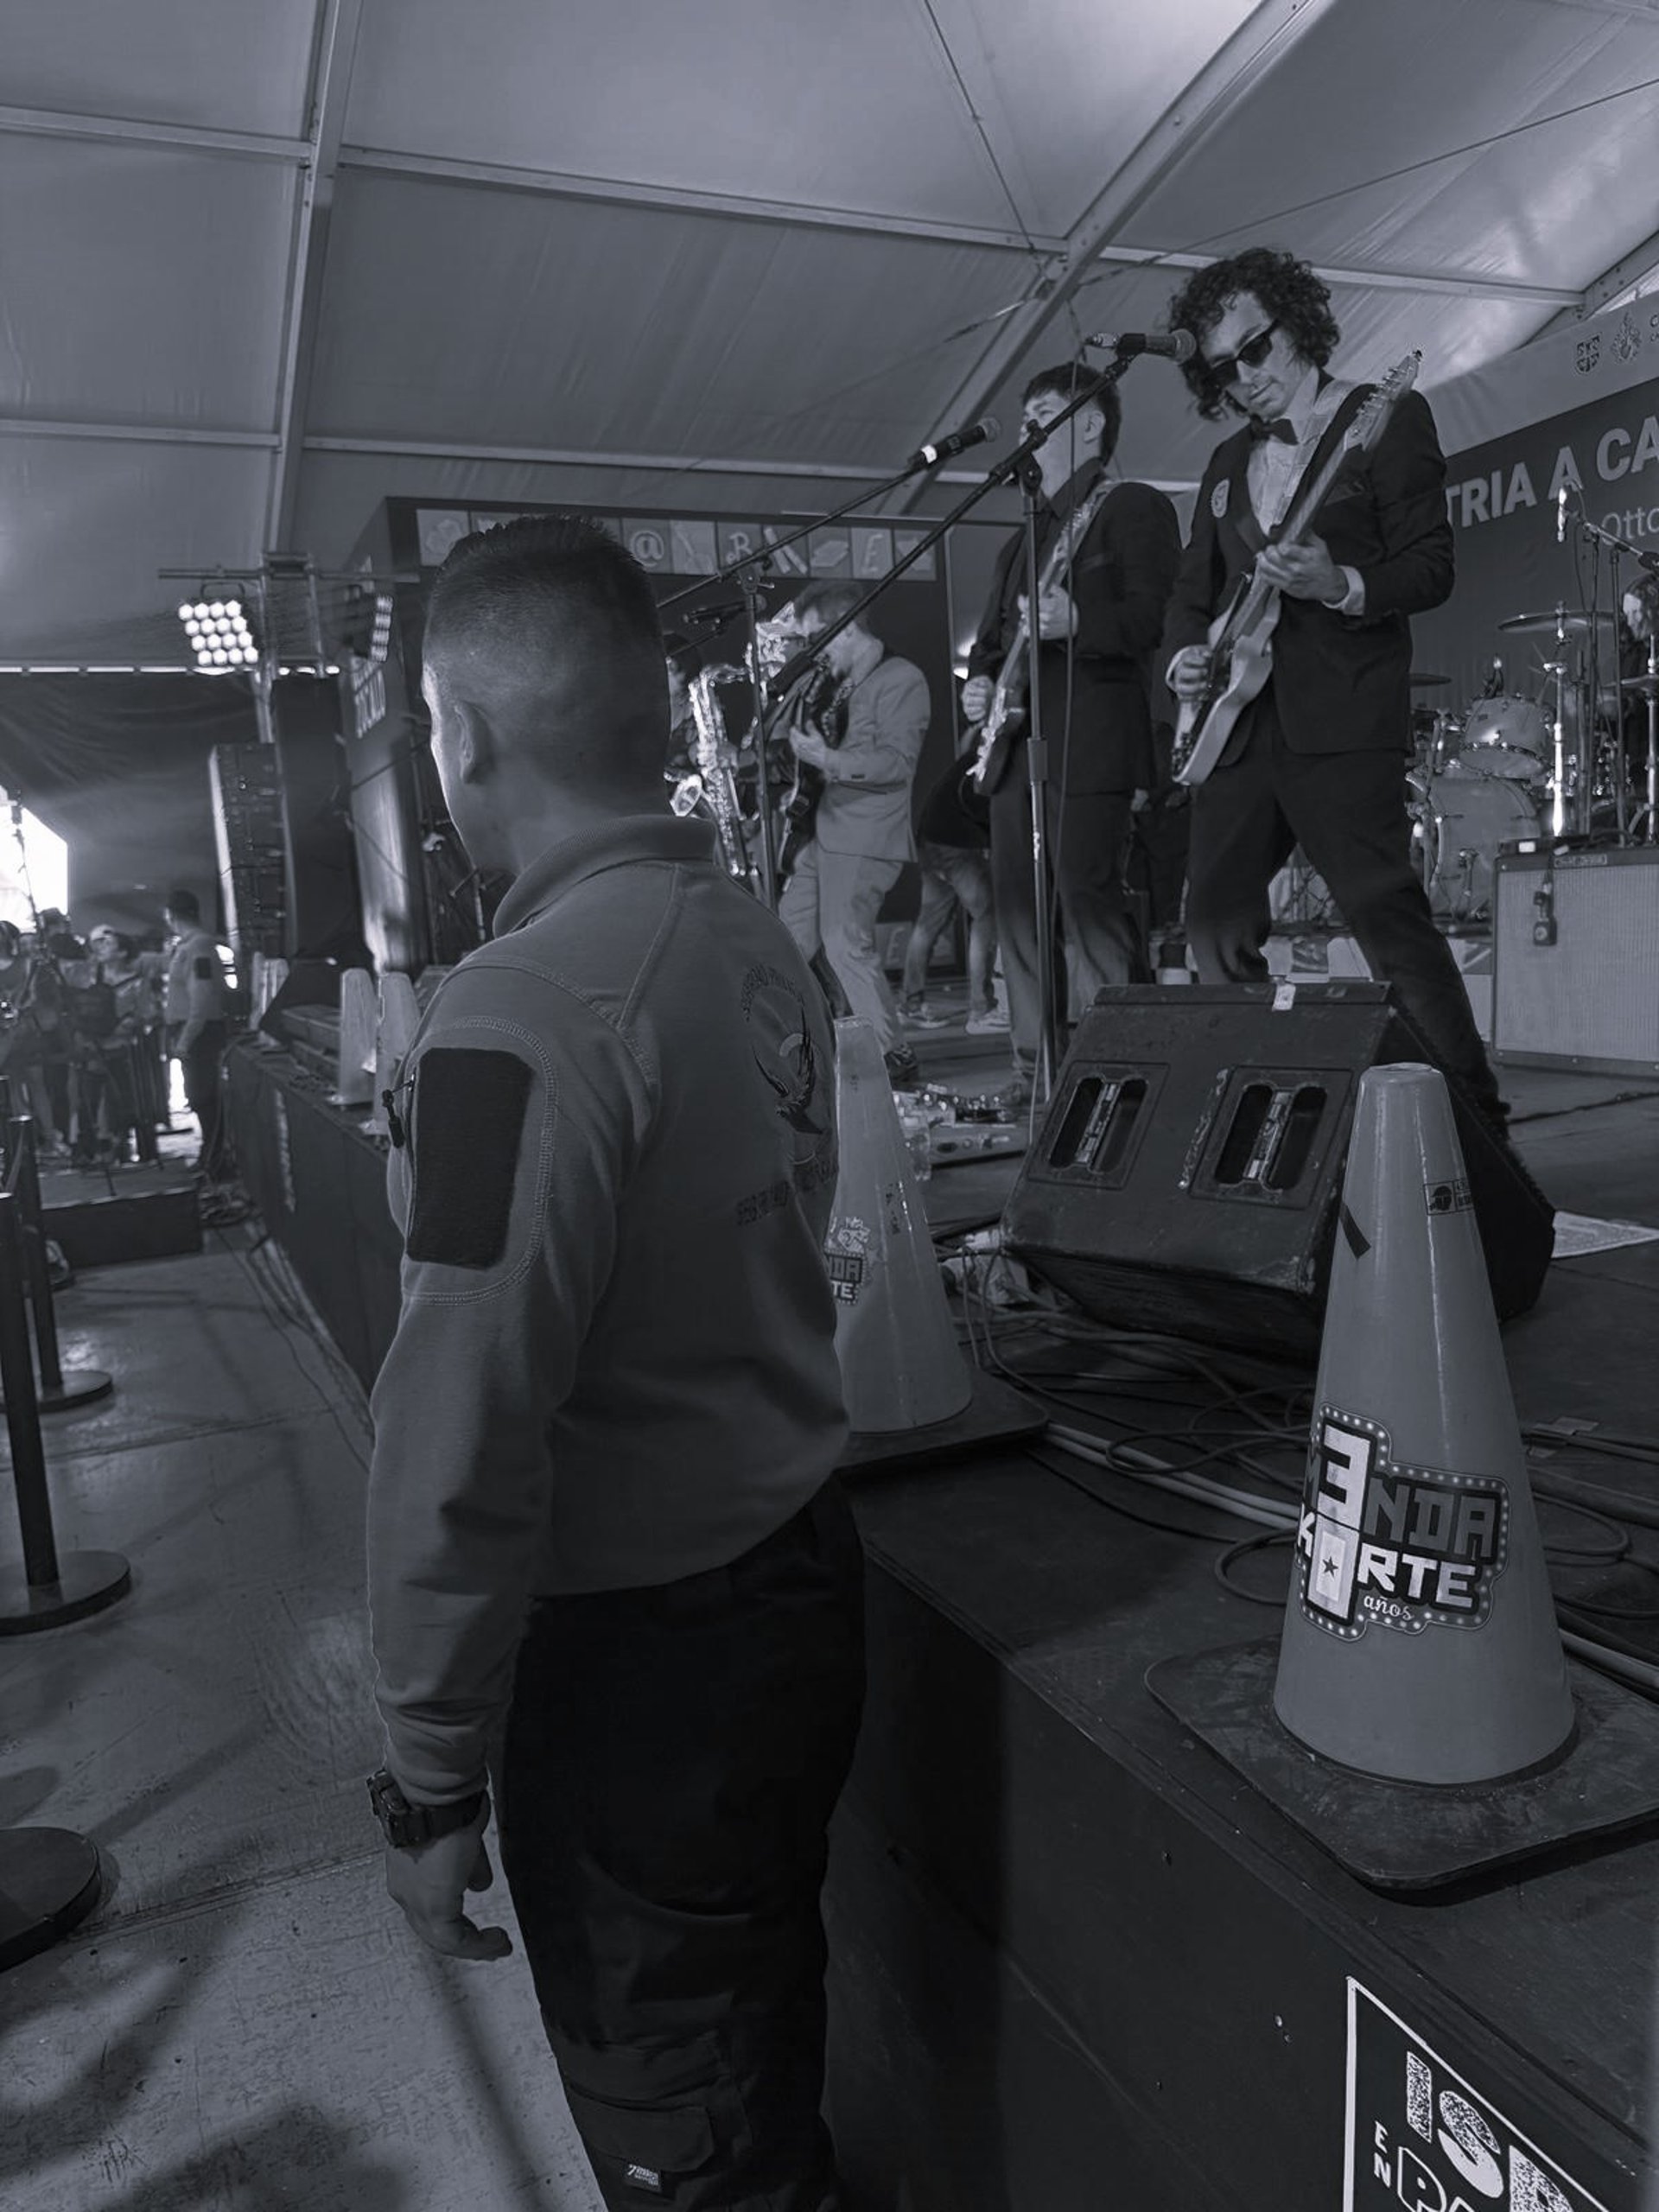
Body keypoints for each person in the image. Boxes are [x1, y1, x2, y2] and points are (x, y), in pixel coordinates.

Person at [365, 514, 864, 2212]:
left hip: (641, 1675)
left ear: (464, 736)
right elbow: (810, 1217)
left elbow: (458, 1429)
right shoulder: (747, 941)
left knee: (684, 2119)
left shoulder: (517, 1013)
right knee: (759, 2026)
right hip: (796, 1582)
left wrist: (432, 1773)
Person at [1160, 245, 1509, 1134]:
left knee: (1385, 920)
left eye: (1256, 350)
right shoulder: (1223, 466)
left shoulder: (1384, 417)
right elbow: (1190, 598)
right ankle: (1247, 1126)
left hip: (1342, 716)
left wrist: (1337, 582)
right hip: (1236, 731)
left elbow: (1430, 568)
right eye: (1224, 369)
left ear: (1295, 322)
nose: (1245, 380)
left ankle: (1475, 1130)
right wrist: (1184, 661)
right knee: (1212, 928)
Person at [963, 363, 1182, 1090]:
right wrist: (982, 684)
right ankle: (1037, 1072)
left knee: (1088, 903)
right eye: (1025, 418)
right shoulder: (1019, 537)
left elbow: (1158, 619)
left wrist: (1083, 621)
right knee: (1018, 917)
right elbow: (990, 644)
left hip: (1091, 742)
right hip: (1014, 750)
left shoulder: (1134, 508)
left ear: (1090, 421)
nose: (1029, 430)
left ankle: (1123, 1072)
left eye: (1044, 414)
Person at [779, 580, 931, 1086]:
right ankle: (794, 1045)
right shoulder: (833, 680)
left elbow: (895, 762)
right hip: (822, 831)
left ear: (841, 628)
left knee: (845, 942)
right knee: (784, 941)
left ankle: (894, 1056)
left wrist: (827, 759)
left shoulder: (901, 679)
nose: (809, 652)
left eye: (812, 639)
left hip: (866, 836)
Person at [898, 751, 1005, 1034]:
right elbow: (979, 805)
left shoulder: (979, 753)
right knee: (987, 917)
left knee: (928, 924)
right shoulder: (996, 761)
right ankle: (982, 1010)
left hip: (930, 840)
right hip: (955, 844)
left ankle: (910, 1004)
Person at [162, 888, 232, 1178]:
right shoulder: (190, 946)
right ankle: (210, 1155)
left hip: (200, 1034)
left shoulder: (197, 947)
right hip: (195, 1030)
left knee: (205, 1097)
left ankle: (215, 1161)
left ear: (170, 916)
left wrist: (186, 1039)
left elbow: (201, 999)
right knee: (200, 1096)